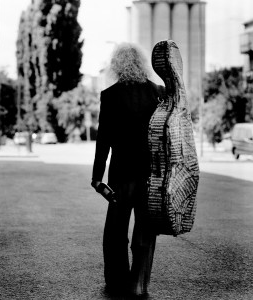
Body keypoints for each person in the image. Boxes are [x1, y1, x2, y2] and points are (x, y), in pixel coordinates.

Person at [91, 43, 164, 296]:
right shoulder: (158, 92)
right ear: (142, 63)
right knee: (145, 231)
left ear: (117, 65)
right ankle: (140, 282)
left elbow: (104, 140)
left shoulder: (110, 95)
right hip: (150, 176)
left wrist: (96, 178)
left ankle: (116, 280)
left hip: (121, 176)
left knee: (115, 231)